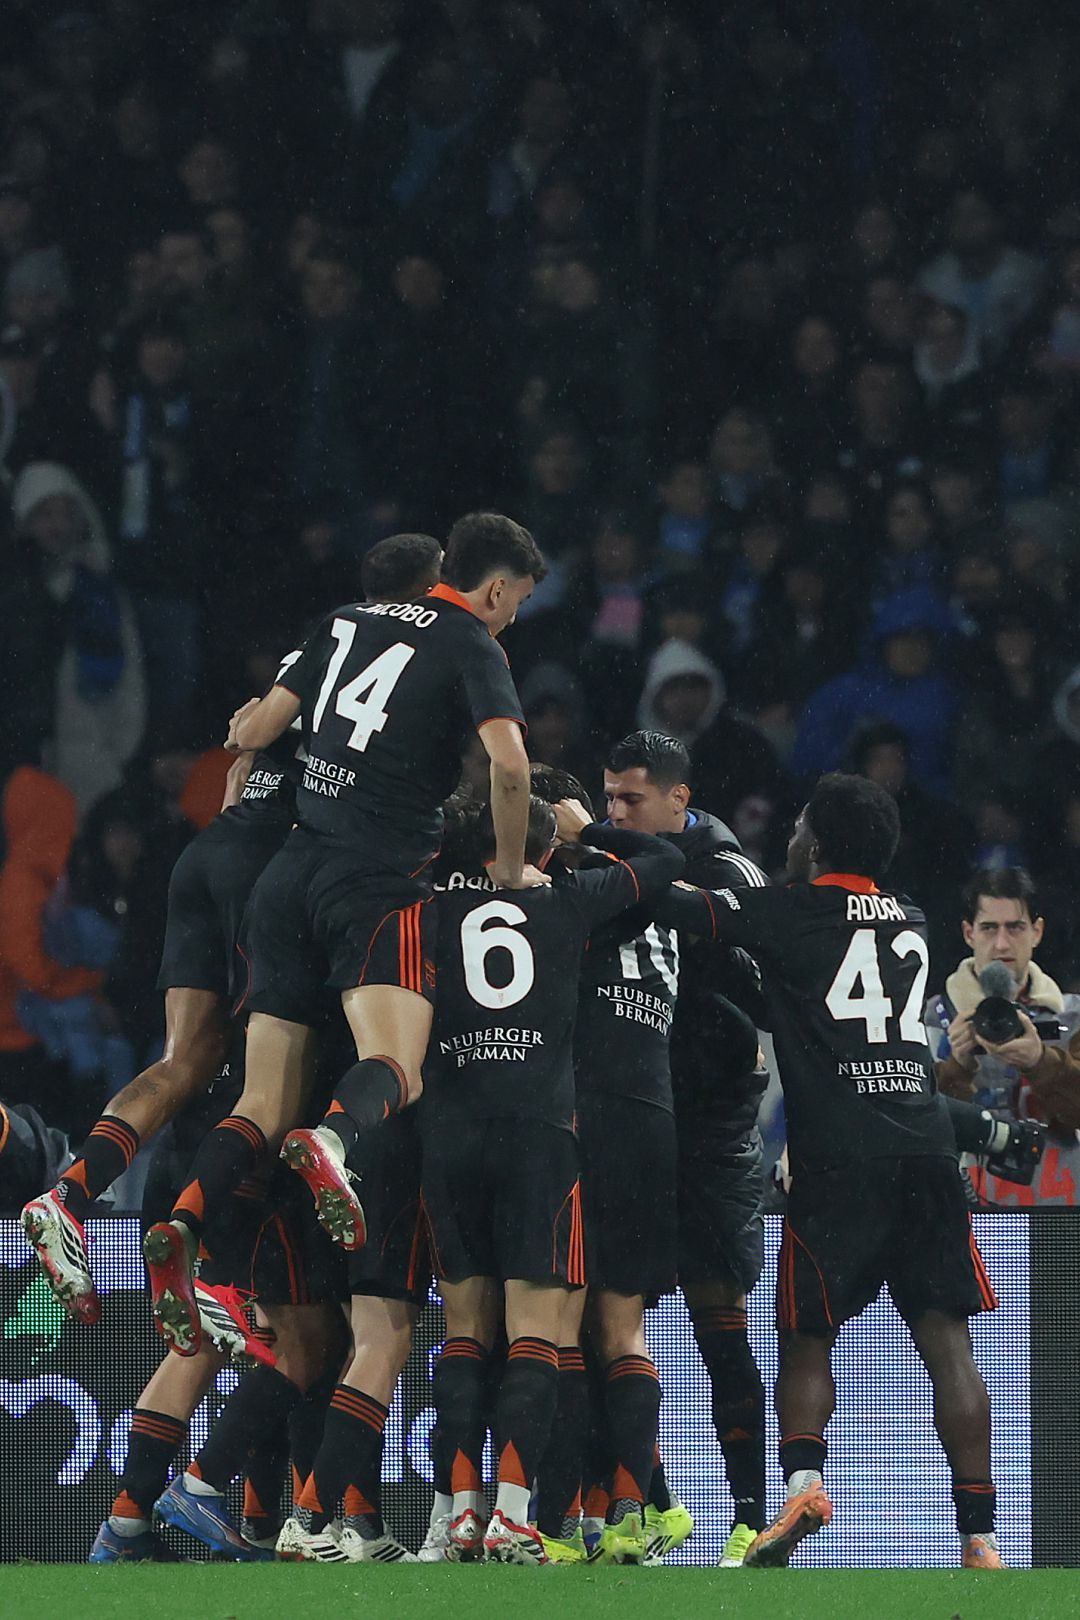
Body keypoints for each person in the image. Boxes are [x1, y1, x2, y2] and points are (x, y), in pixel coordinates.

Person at [140, 513, 543, 1357]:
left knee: (259, 1098)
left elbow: (252, 734)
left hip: (288, 876)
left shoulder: (343, 621)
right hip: (375, 882)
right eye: (517, 603)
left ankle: (187, 1221)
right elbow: (509, 765)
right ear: (497, 587)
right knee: (397, 1063)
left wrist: (248, 733)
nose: (512, 617)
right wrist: (510, 869)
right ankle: (331, 1138)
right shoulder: (472, 643)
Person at [21, 534, 443, 1331]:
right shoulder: (422, 657)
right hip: (283, 868)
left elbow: (243, 746)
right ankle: (212, 1255)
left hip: (216, 847)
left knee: (188, 1058)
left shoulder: (322, 641)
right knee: (276, 1084)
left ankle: (70, 1195)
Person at [690, 773, 1001, 1570]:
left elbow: (687, 910)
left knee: (807, 1334)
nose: (791, 839)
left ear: (817, 845)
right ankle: (981, 1537)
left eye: (799, 828)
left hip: (840, 1155)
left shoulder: (789, 910)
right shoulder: (913, 917)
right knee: (948, 1343)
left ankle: (804, 1486)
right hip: (926, 1148)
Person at [422, 792, 685, 1565]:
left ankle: (458, 1517)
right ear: (542, 851)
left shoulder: (431, 904)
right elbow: (666, 861)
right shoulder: (569, 899)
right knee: (538, 1333)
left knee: (465, 1333)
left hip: (450, 1131)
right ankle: (512, 1515)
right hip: (538, 1136)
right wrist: (586, 835)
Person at [598, 732, 771, 1569]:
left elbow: (763, 984)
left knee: (718, 1322)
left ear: (679, 800)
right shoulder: (609, 862)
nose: (616, 813)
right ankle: (654, 1506)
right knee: (608, 1318)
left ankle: (750, 1518)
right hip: (633, 1114)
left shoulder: (728, 870)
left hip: (708, 1124)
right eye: (608, 798)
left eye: (631, 799)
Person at [925, 867, 1080, 1206]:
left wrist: (1041, 1062)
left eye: (1015, 927)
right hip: (965, 1212)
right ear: (969, 933)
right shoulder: (930, 1020)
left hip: (1059, 1212)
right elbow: (917, 1132)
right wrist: (957, 1068)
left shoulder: (1074, 1017)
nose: (1001, 944)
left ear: (1037, 932)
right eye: (989, 928)